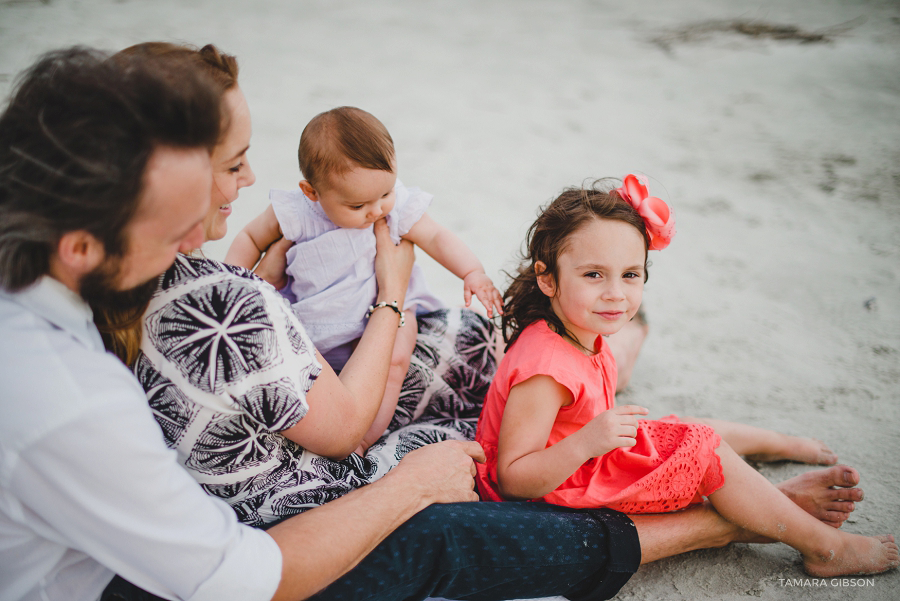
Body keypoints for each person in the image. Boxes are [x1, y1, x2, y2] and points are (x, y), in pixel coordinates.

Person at [0, 45, 869, 601]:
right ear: (83, 242)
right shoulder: (72, 394)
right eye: (182, 222)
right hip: (172, 563)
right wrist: (406, 479)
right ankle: (728, 512)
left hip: (263, 461)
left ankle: (666, 415)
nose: (211, 227)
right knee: (451, 521)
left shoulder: (101, 287)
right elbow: (243, 576)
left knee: (516, 395)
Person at [474, 177, 900, 577]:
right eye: (593, 275)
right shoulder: (546, 369)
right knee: (700, 450)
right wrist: (588, 441)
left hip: (577, 462)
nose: (615, 293)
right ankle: (825, 548)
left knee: (679, 434)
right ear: (547, 278)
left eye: (630, 275)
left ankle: (778, 447)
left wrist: (594, 438)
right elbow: (512, 479)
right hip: (551, 496)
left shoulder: (578, 333)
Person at [224, 106, 503, 454]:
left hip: (391, 309)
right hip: (315, 319)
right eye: (357, 206)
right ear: (312, 192)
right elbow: (250, 239)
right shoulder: (297, 212)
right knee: (323, 383)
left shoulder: (395, 205)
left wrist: (472, 271)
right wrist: (233, 283)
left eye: (384, 194)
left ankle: (364, 438)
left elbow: (435, 237)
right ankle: (336, 432)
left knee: (396, 362)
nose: (376, 211)